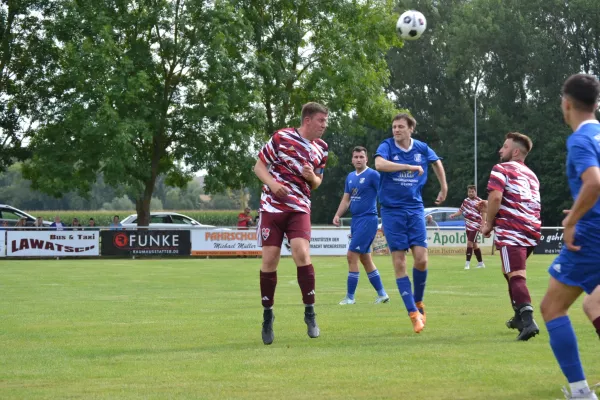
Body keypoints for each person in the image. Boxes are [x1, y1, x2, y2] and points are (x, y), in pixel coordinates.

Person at [538, 73, 600, 400]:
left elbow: (594, 182)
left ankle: (579, 391)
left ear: (567, 103)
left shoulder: (579, 139)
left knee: (552, 308)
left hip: (590, 238)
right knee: (595, 305)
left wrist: (572, 220)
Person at [253, 102, 329, 345]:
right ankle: (267, 316)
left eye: (325, 121)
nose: (324, 125)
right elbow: (259, 167)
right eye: (321, 121)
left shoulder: (322, 149)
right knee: (270, 259)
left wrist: (312, 178)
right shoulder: (281, 137)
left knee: (301, 253)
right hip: (272, 207)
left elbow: (317, 183)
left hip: (299, 207)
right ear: (307, 120)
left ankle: (310, 312)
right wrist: (274, 185)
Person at [374, 113, 448, 334]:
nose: (396, 130)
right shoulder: (387, 146)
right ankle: (413, 314)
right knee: (399, 263)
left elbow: (436, 162)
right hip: (391, 211)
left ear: (410, 129)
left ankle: (419, 301)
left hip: (415, 209)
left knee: (422, 259)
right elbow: (378, 164)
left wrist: (444, 187)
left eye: (400, 127)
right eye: (394, 127)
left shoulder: (422, 148)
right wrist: (406, 167)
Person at [481, 132, 541, 341]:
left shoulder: (501, 169)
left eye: (504, 147)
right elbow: (516, 201)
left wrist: (488, 223)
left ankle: (528, 321)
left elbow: (496, 196)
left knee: (515, 275)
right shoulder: (531, 175)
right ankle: (518, 316)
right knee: (511, 273)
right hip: (532, 230)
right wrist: (488, 208)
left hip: (513, 230)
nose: (500, 150)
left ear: (515, 151)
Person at [333, 146, 389, 305]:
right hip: (356, 221)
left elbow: (384, 196)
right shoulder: (350, 177)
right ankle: (382, 294)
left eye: (361, 157)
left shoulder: (373, 175)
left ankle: (350, 298)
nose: (358, 159)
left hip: (368, 220)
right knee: (365, 259)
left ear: (366, 159)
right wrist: (338, 214)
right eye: (355, 156)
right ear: (352, 159)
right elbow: (346, 200)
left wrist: (385, 220)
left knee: (351, 256)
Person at [450, 185, 486, 270]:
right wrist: (454, 215)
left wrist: (483, 224)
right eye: (469, 191)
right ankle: (481, 263)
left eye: (472, 191)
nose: (470, 193)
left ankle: (467, 264)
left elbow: (484, 212)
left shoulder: (480, 201)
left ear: (475, 192)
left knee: (469, 243)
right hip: (468, 225)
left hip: (475, 225)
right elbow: (461, 210)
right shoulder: (466, 201)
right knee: (475, 245)